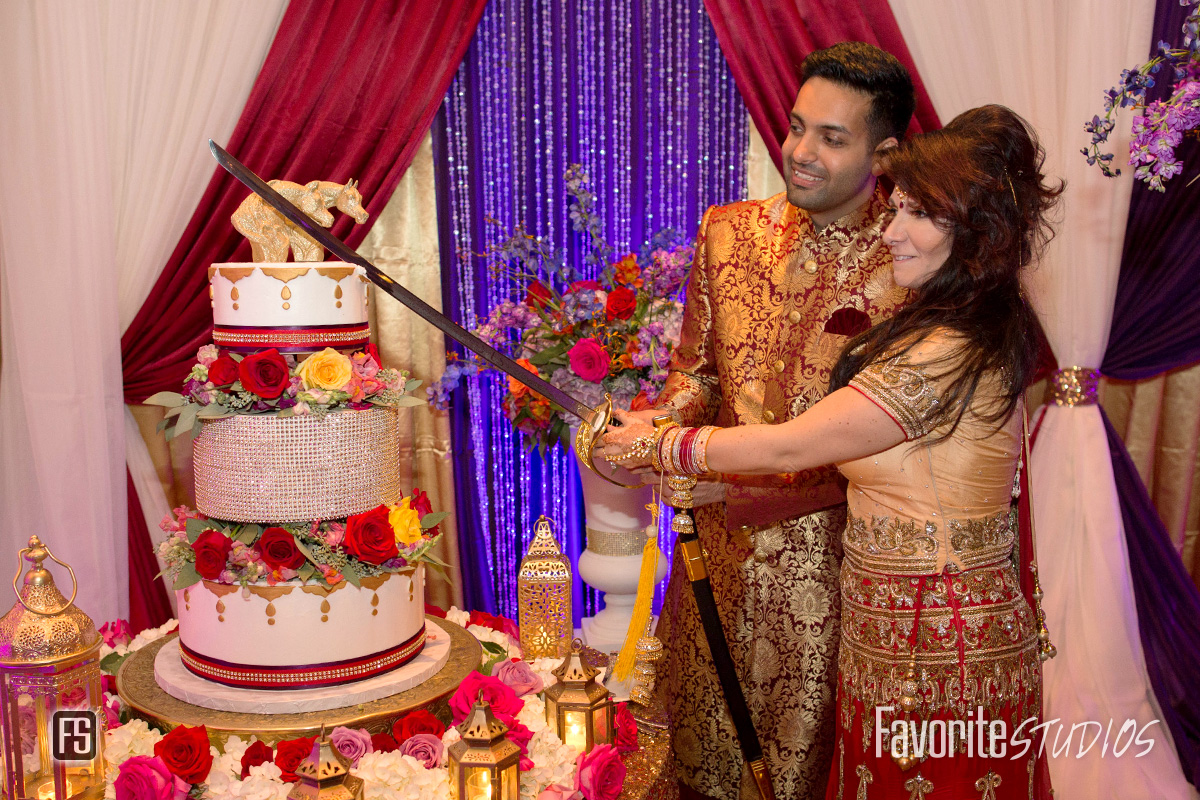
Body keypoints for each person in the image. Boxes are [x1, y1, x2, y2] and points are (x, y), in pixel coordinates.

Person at [604, 104, 1061, 800]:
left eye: (919, 216)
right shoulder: (936, 327)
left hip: (940, 643)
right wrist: (717, 480)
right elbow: (869, 472)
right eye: (896, 207)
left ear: (975, 236)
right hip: (890, 625)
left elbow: (797, 440)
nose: (894, 232)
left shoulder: (951, 349)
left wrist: (663, 445)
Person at [640, 42, 915, 799]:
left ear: (884, 152)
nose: (799, 151)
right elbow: (695, 376)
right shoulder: (727, 231)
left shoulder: (913, 260)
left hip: (837, 585)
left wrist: (725, 478)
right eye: (796, 127)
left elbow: (901, 444)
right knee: (700, 767)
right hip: (715, 573)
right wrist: (652, 436)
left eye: (832, 137)